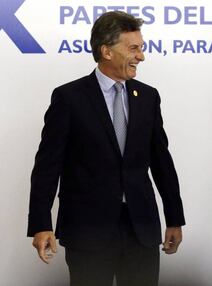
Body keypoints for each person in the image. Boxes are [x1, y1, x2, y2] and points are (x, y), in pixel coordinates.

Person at [27, 11, 185, 286]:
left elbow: (161, 161)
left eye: (142, 48)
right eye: (133, 48)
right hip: (87, 231)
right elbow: (47, 166)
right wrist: (41, 224)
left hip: (141, 229)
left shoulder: (148, 96)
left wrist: (174, 218)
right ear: (106, 51)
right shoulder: (68, 98)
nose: (141, 56)